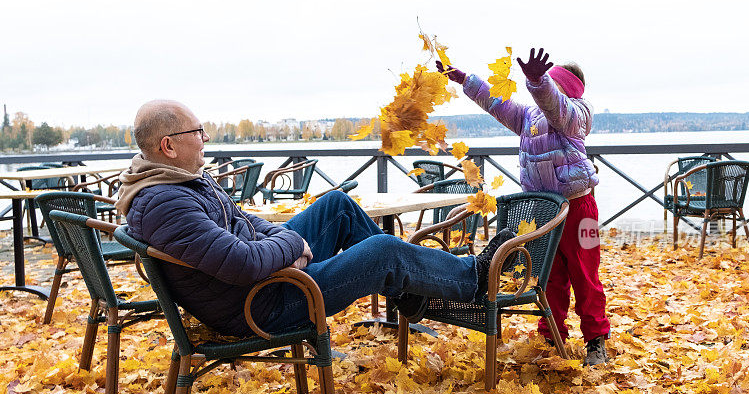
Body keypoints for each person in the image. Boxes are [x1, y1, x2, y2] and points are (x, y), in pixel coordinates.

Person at [116, 100, 514, 339]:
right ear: (168, 146)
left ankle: (411, 294)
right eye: (197, 132)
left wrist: (282, 243)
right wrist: (293, 247)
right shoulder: (166, 202)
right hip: (260, 306)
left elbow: (249, 223)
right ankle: (472, 280)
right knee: (383, 252)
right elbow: (242, 263)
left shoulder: (180, 182)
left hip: (268, 280)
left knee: (336, 205)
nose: (205, 138)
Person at [437, 47, 611, 366]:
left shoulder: (578, 114)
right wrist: (466, 80)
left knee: (586, 275)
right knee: (550, 277)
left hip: (580, 209)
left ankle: (596, 340)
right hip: (546, 211)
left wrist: (539, 82)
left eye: (550, 86)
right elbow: (497, 103)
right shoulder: (528, 117)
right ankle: (550, 334)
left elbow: (557, 109)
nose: (543, 94)